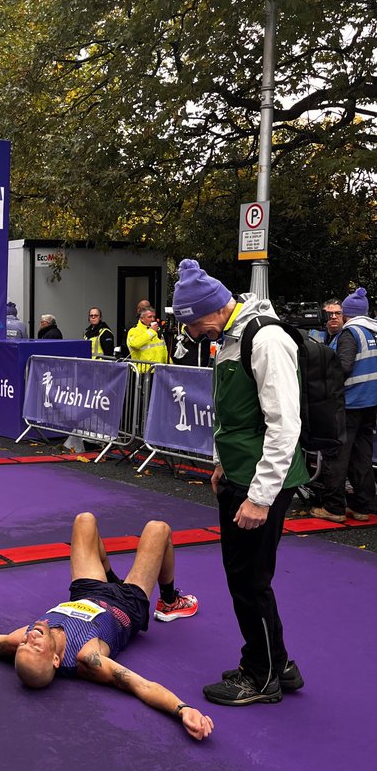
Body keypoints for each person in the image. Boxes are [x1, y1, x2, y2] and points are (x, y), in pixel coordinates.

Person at [0, 511, 211, 741]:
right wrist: (183, 711)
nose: (29, 636)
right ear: (55, 660)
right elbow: (141, 685)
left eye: (23, 643)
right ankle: (170, 599)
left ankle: (110, 575)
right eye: (34, 645)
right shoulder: (88, 658)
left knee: (85, 521)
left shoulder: (17, 640)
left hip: (88, 590)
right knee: (158, 529)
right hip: (127, 604)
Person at [172, 259, 307, 707]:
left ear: (206, 312)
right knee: (246, 578)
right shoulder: (231, 338)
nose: (190, 334)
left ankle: (261, 675)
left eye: (190, 323)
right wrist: (220, 465)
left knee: (249, 580)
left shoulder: (265, 338)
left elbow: (284, 425)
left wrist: (260, 497)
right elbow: (231, 415)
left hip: (259, 484)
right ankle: (275, 662)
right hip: (240, 476)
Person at [310, 287, 377, 523]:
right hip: (370, 404)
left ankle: (334, 508)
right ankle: (363, 507)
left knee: (336, 455)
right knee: (362, 456)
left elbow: (344, 366)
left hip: (349, 403)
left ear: (347, 313)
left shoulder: (351, 333)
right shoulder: (373, 331)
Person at [127, 306, 168, 371]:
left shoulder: (157, 330)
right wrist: (151, 331)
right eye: (149, 317)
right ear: (142, 318)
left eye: (154, 317)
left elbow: (164, 349)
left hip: (159, 369)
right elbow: (135, 344)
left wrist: (169, 363)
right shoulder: (134, 330)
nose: (152, 319)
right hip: (143, 371)